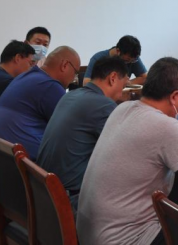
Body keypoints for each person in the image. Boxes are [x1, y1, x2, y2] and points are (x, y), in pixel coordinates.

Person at [77, 58, 178, 245]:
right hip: (126, 239)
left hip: (89, 233)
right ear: (175, 96)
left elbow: (145, 149)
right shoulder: (167, 127)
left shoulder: (122, 108)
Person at [36, 56, 129, 212]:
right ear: (113, 78)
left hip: (43, 191)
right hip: (68, 201)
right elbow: (124, 153)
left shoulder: (69, 95)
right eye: (124, 85)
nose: (121, 94)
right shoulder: (103, 105)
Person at [0, 46, 81, 159]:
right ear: (65, 65)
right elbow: (73, 130)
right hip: (27, 166)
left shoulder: (25, 76)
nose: (73, 79)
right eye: (75, 72)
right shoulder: (50, 86)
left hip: (3, 162)